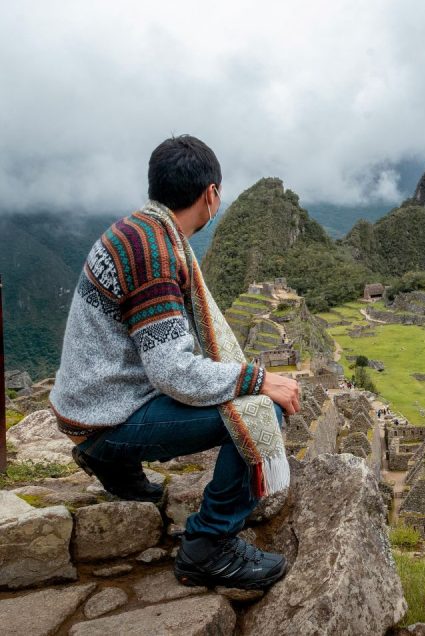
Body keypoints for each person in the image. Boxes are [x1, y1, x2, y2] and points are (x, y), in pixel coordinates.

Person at [50, 135, 301, 590]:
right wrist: (258, 380)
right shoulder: (155, 252)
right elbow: (173, 372)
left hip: (88, 404)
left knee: (247, 395)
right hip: (106, 417)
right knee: (262, 412)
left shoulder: (138, 229)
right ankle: (210, 544)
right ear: (211, 194)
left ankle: (113, 467)